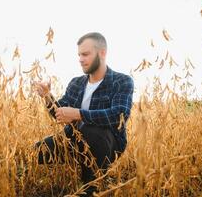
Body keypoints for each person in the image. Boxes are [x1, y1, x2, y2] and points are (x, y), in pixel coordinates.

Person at [35, 32, 134, 196]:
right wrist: (47, 96)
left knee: (92, 131)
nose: (81, 59)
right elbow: (60, 113)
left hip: (108, 143)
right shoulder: (76, 83)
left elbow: (118, 116)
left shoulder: (121, 81)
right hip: (73, 138)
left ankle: (90, 188)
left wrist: (78, 114)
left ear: (102, 53)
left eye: (86, 54)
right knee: (36, 151)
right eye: (79, 54)